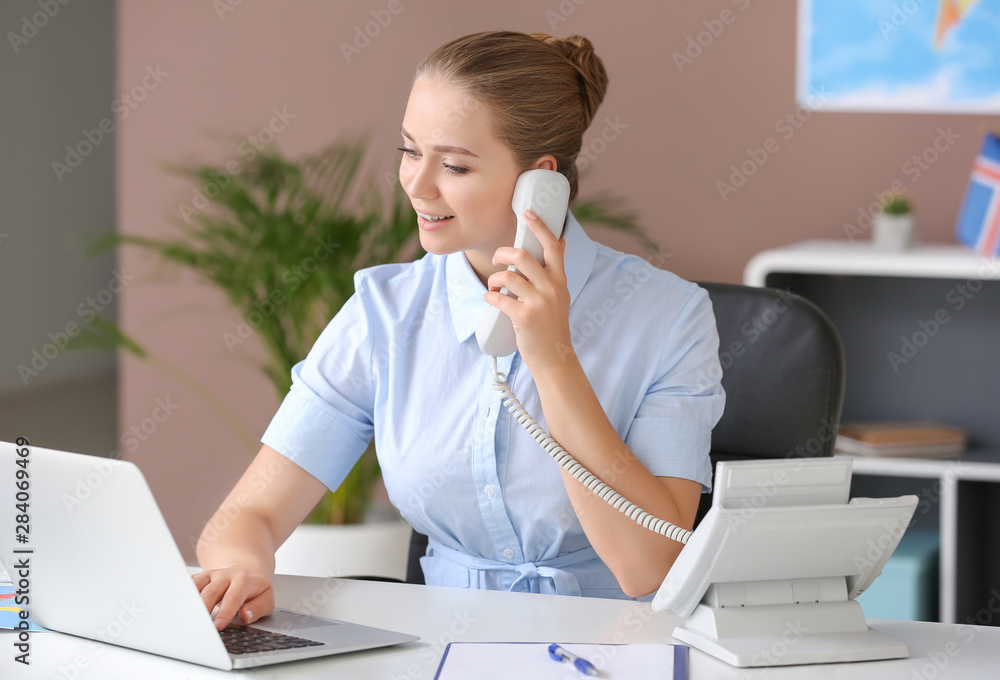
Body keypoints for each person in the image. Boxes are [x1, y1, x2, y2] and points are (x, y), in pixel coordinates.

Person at [194, 30, 725, 632]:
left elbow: (649, 566)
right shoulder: (386, 312)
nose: (417, 185)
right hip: (438, 646)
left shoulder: (668, 317)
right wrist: (240, 569)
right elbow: (250, 512)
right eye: (408, 150)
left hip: (614, 646)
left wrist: (553, 359)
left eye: (453, 165)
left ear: (540, 181)